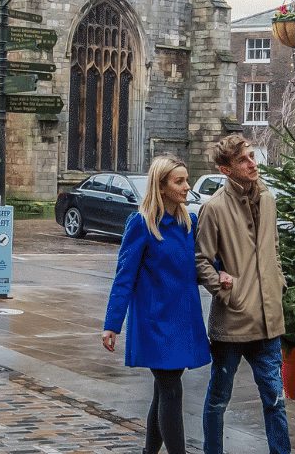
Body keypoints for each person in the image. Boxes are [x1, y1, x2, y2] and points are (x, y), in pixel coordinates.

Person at [102, 156, 211, 454]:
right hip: (155, 322)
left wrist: (222, 273)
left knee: (163, 391)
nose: (187, 187)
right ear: (160, 187)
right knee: (171, 390)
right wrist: (112, 325)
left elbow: (201, 266)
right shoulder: (141, 223)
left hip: (183, 319)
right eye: (179, 181)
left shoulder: (190, 222)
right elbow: (124, 277)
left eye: (187, 180)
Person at [195, 134, 290, 454]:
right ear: (226, 170)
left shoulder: (268, 199)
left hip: (268, 321)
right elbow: (200, 260)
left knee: (275, 400)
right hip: (233, 323)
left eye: (252, 156)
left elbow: (272, 250)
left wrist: (278, 282)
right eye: (243, 160)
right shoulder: (214, 208)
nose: (253, 163)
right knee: (219, 400)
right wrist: (224, 290)